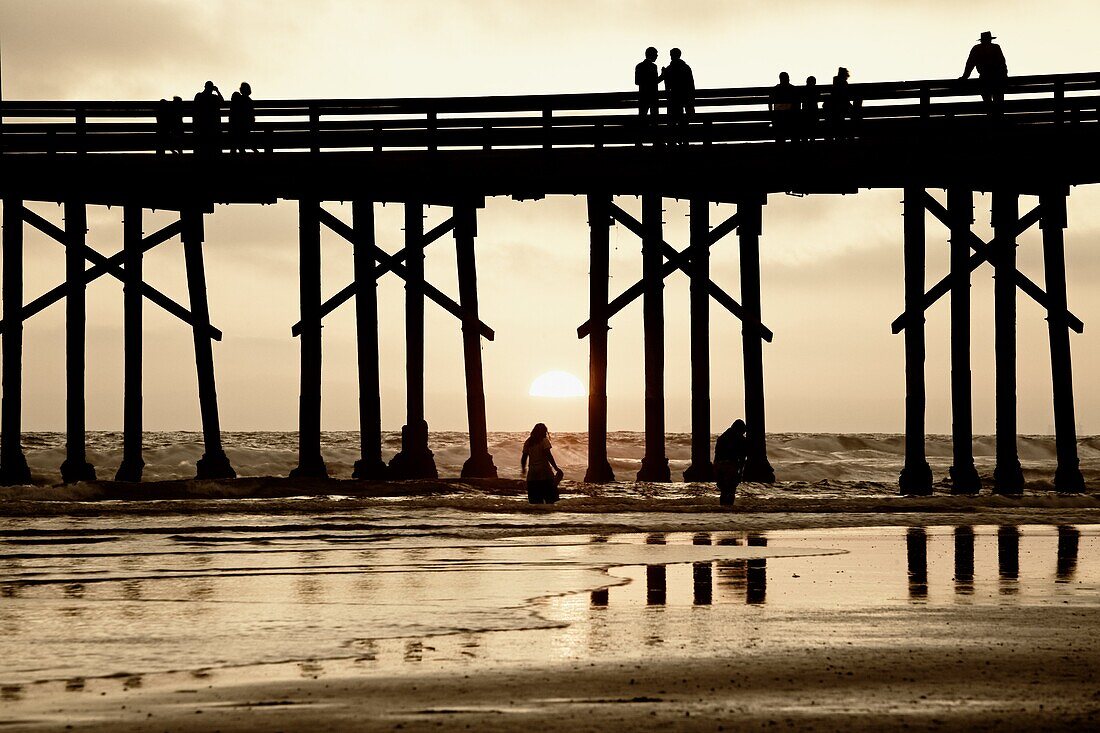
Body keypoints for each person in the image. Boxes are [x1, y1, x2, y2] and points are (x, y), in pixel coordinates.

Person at [521, 423, 564, 504]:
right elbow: (548, 455)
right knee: (550, 498)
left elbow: (524, 457)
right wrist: (556, 468)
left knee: (535, 500)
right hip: (544, 472)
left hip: (532, 473)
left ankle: (537, 515)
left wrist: (523, 469)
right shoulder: (544, 440)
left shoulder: (528, 441)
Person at [961, 31, 1008, 104]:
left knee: (988, 102)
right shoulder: (996, 47)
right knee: (998, 102)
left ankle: (991, 113)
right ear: (990, 39)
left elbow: (970, 64)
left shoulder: (976, 49)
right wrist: (1004, 75)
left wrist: (965, 76)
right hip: (997, 79)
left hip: (984, 79)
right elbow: (1002, 63)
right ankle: (996, 113)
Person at [662, 48, 695, 145]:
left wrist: (664, 73)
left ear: (671, 55)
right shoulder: (686, 67)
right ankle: (684, 140)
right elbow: (691, 84)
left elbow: (667, 85)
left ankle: (672, 140)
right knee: (683, 120)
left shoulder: (669, 69)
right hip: (685, 97)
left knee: (672, 120)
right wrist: (691, 99)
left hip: (674, 98)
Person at [713, 419, 748, 505]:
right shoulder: (740, 439)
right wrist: (741, 471)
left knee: (723, 490)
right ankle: (729, 508)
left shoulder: (722, 437)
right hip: (731, 466)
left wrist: (714, 469)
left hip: (719, 465)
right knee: (731, 490)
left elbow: (716, 455)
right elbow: (742, 457)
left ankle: (723, 508)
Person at [193, 80, 224, 155]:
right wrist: (217, 91)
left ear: (205, 87)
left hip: (201, 126)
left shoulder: (199, 96)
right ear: (212, 89)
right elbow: (222, 102)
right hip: (213, 127)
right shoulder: (214, 97)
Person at [635, 47, 663, 128]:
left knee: (642, 118)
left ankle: (640, 138)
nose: (657, 56)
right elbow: (655, 82)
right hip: (653, 97)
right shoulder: (653, 66)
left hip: (642, 96)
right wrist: (662, 76)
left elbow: (637, 82)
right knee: (654, 120)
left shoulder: (639, 66)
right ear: (652, 55)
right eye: (656, 54)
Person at [823, 67, 852, 140]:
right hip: (840, 107)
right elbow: (844, 97)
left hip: (834, 108)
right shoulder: (843, 83)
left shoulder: (836, 82)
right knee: (839, 120)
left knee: (835, 120)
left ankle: (834, 136)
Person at [770, 72, 799, 143]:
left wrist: (772, 114)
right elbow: (797, 104)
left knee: (780, 131)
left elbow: (771, 103)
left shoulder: (776, 89)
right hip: (791, 117)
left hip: (780, 117)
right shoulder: (793, 89)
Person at [229, 82, 255, 154]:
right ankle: (244, 150)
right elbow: (251, 117)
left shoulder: (237, 98)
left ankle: (237, 150)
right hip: (244, 127)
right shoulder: (249, 101)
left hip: (236, 127)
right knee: (241, 134)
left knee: (237, 134)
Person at [800, 76, 819, 141]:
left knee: (805, 129)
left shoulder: (803, 90)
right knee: (813, 128)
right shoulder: (816, 91)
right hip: (813, 112)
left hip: (805, 112)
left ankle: (805, 142)